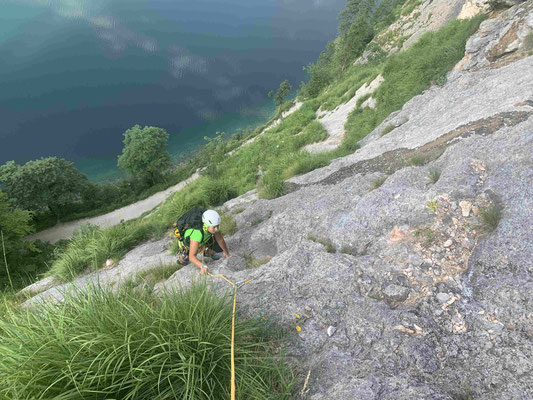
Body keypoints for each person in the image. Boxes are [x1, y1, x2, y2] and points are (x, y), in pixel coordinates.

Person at [177, 209, 231, 275]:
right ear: (206, 225)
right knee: (186, 259)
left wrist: (227, 254)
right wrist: (202, 266)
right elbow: (192, 257)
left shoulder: (213, 227)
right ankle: (183, 255)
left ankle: (206, 251)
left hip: (203, 239)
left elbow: (220, 240)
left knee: (218, 249)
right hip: (189, 243)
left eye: (217, 226)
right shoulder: (197, 234)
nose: (216, 229)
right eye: (214, 227)